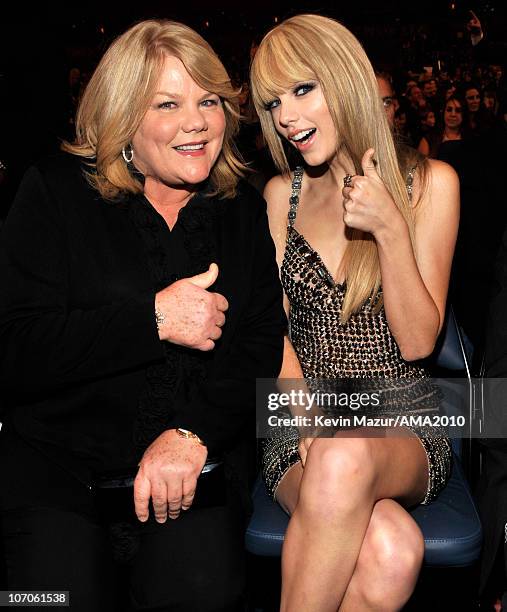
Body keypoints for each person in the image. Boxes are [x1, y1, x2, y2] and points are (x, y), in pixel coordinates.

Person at [0, 19, 285, 612]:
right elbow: (16, 348)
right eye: (167, 104)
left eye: (208, 100)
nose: (197, 122)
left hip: (190, 470)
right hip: (61, 473)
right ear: (124, 116)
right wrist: (151, 320)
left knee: (202, 592)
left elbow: (258, 345)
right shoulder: (53, 194)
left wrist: (193, 435)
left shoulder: (241, 210)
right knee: (45, 600)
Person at [250, 14, 459, 611]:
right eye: (273, 102)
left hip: (402, 420)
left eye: (302, 89)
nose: (286, 116)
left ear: (344, 79)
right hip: (302, 413)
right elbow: (279, 338)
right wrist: (307, 422)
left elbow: (419, 343)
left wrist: (392, 229)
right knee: (391, 549)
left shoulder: (430, 184)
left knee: (347, 455)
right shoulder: (278, 198)